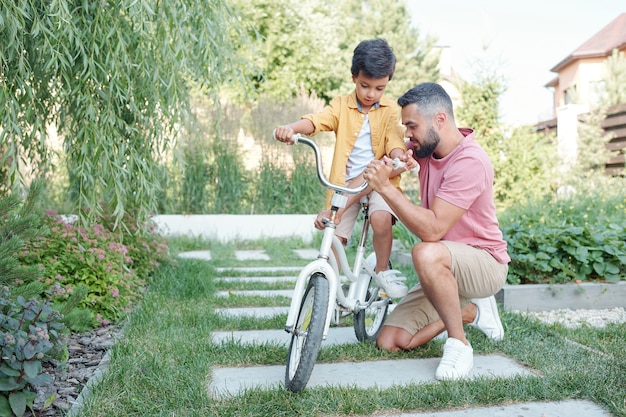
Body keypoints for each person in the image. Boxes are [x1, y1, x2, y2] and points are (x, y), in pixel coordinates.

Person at [362, 82, 510, 381]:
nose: (407, 135)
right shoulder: (424, 150)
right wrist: (339, 205)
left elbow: (432, 229)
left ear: (440, 120)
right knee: (390, 341)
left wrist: (387, 189)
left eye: (412, 126)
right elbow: (376, 174)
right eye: (406, 127)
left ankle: (459, 344)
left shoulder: (470, 161)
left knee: (425, 251)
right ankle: (470, 313)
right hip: (445, 265)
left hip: (484, 264)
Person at [274, 38, 417, 298]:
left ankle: (383, 270)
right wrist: (291, 129)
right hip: (347, 183)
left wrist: (399, 156)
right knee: (334, 238)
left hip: (380, 182)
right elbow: (317, 121)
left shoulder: (389, 111)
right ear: (354, 78)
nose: (371, 93)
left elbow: (394, 141)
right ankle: (327, 292)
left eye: (379, 88)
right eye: (365, 86)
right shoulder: (341, 105)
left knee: (381, 218)